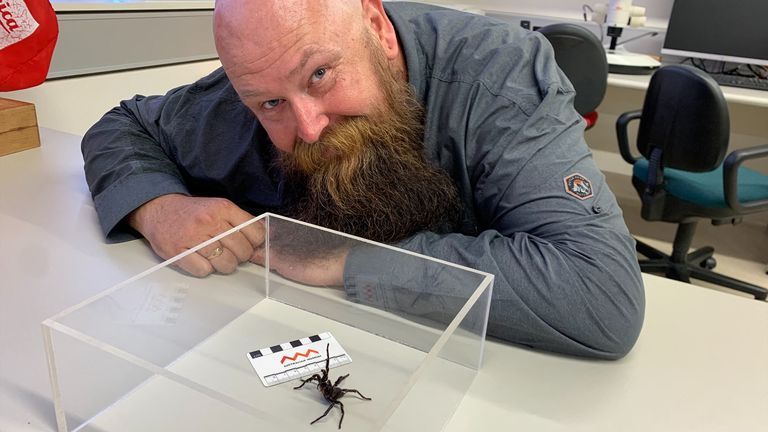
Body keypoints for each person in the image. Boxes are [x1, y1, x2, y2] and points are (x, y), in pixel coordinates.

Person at [81, 0, 645, 360]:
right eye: (272, 102)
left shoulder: (500, 81)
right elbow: (123, 125)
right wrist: (157, 206)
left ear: (375, 26)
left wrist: (346, 259)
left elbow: (599, 294)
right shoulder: (246, 94)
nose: (308, 125)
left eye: (321, 75)